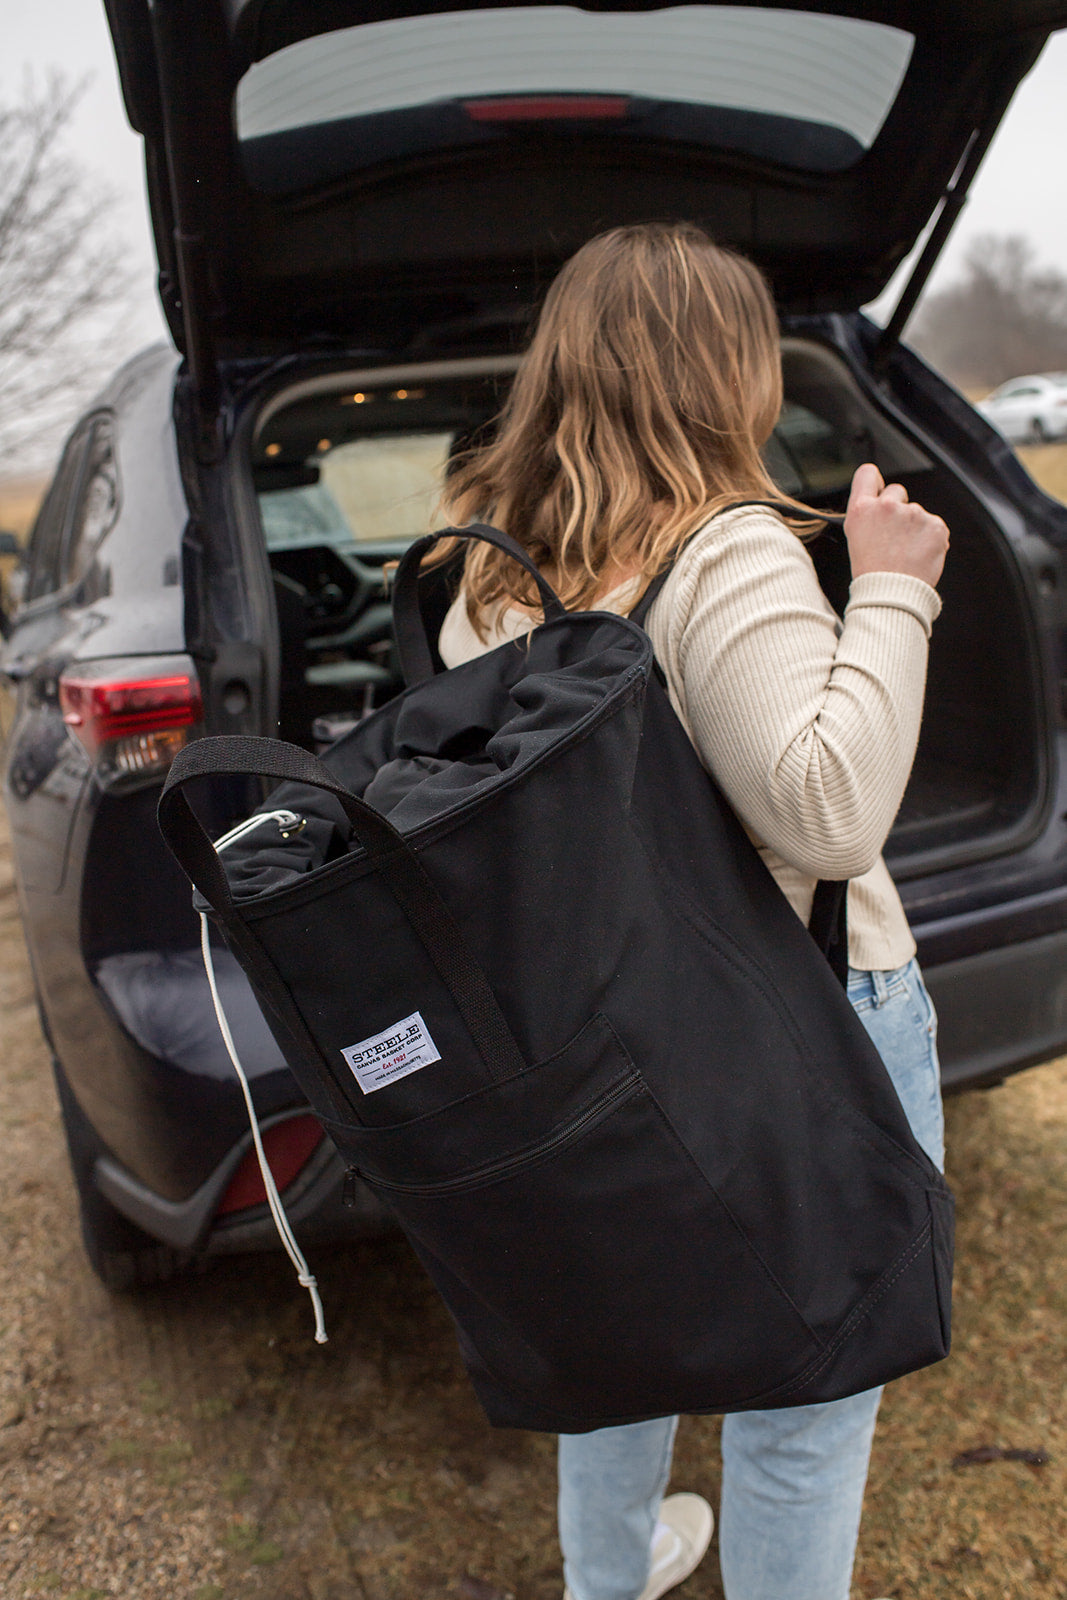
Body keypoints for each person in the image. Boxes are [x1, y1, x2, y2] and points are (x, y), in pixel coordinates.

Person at [434, 222, 949, 1600]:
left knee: (622, 1351)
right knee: (807, 1403)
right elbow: (828, 812)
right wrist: (894, 585)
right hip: (800, 1022)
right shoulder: (726, 554)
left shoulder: (494, 576)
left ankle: (613, 1579)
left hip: (605, 1038)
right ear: (724, 375)